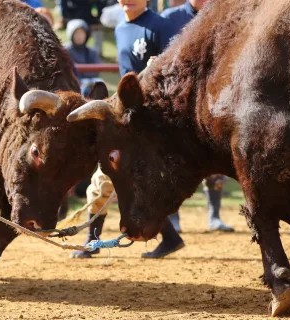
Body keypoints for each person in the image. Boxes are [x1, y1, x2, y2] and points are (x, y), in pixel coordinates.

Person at [71, 0, 186, 259]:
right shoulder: (122, 28)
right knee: (113, 173)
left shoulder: (159, 25)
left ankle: (93, 239)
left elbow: (176, 67)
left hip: (148, 118)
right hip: (126, 116)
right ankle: (168, 237)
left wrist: (161, 65)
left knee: (117, 174)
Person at [160, 0, 234, 234]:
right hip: (177, 103)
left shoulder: (225, 13)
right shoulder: (170, 18)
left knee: (217, 160)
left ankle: (214, 215)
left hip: (212, 100)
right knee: (172, 162)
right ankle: (173, 218)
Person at [65, 19, 103, 96]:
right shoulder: (65, 51)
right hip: (71, 86)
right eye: (77, 34)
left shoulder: (92, 52)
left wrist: (85, 80)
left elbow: (96, 70)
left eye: (82, 33)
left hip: (89, 84)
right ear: (71, 34)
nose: (79, 36)